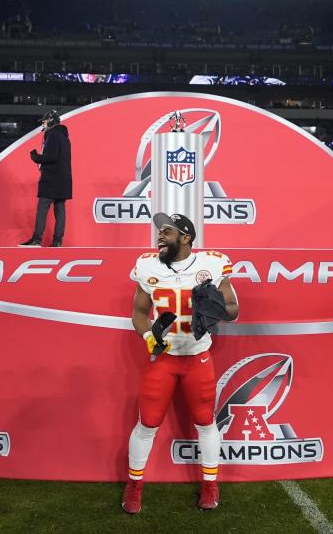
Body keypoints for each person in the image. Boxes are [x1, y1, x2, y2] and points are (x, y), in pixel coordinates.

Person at [122, 213, 238, 514]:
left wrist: (212, 305)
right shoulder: (147, 265)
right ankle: (134, 484)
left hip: (198, 357)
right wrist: (149, 336)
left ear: (186, 237)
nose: (160, 236)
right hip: (163, 359)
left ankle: (210, 484)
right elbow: (138, 312)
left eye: (168, 232)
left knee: (205, 421)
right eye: (160, 231)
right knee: (146, 423)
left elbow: (233, 310)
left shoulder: (211, 265)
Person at [21, 110, 72, 247]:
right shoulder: (64, 136)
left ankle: (37, 239)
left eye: (44, 121)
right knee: (60, 209)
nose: (42, 124)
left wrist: (36, 157)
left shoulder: (53, 135)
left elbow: (52, 157)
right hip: (63, 180)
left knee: (42, 208)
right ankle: (57, 241)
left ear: (50, 121)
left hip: (52, 179)